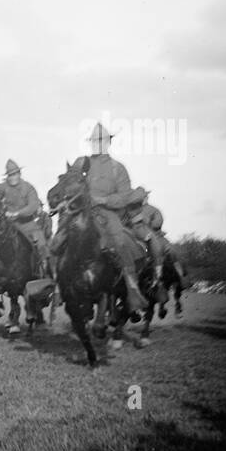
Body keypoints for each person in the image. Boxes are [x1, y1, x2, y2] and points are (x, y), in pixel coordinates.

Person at [79, 123, 147, 314]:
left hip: (109, 214)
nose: (97, 144)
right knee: (60, 239)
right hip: (83, 213)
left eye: (101, 140)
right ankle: (55, 283)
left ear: (108, 143)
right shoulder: (82, 164)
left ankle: (132, 290)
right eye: (94, 141)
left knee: (120, 242)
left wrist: (102, 199)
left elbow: (124, 197)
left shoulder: (118, 168)